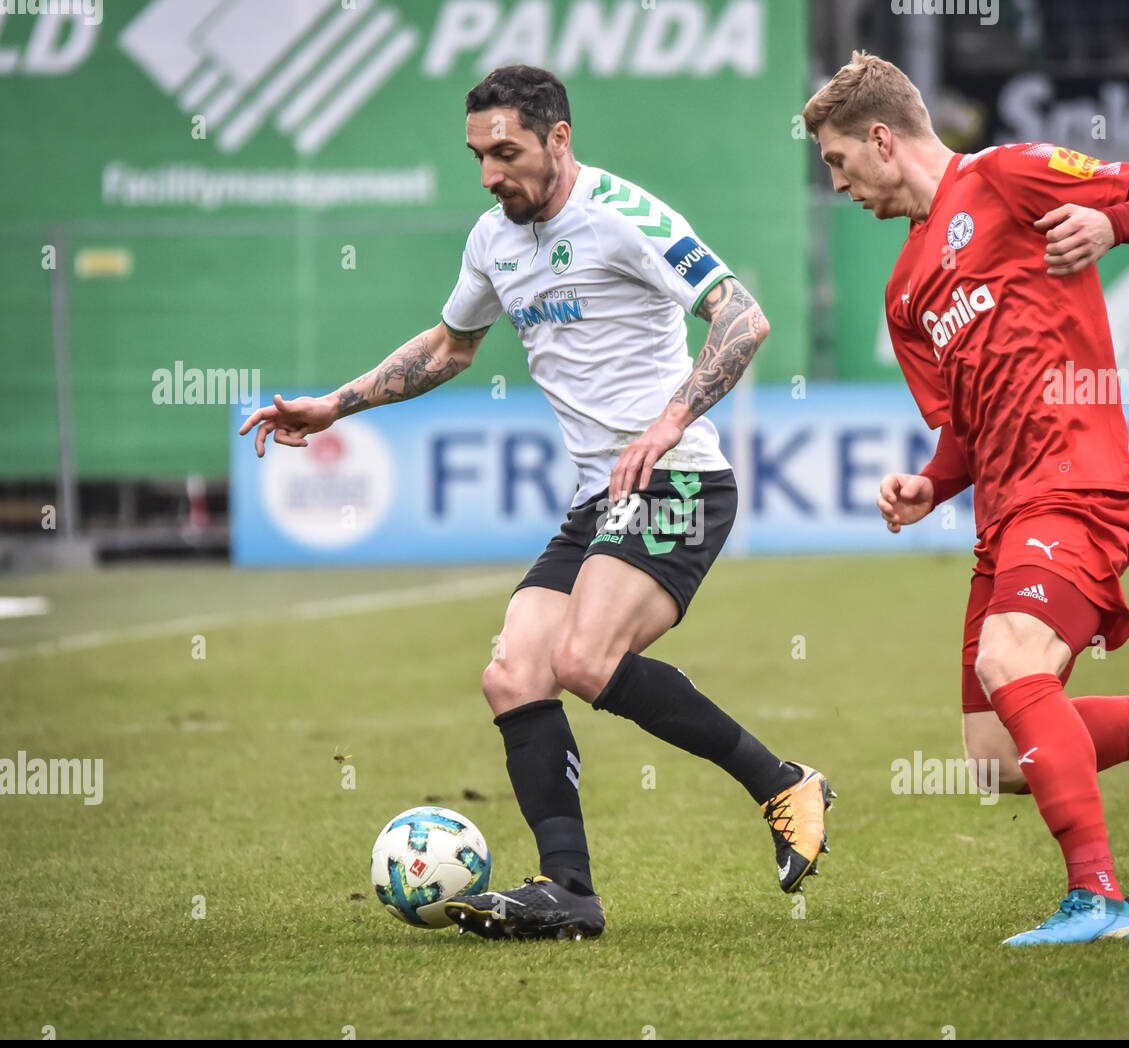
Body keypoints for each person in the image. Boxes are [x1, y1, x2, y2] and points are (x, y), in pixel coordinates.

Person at [240, 65, 831, 941]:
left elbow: (743, 319)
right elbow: (450, 345)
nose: (489, 172)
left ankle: (782, 783)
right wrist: (335, 404)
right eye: (478, 154)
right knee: (513, 672)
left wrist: (670, 420)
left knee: (586, 658)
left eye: (506, 151)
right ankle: (570, 893)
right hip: (599, 498)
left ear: (559, 138)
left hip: (679, 482)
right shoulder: (493, 240)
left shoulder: (626, 217)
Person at [802, 52, 1129, 946]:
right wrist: (928, 484)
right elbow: (964, 430)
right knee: (998, 760)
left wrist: (1109, 229)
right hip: (1005, 512)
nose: (837, 184)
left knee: (1010, 662)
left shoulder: (1007, 175)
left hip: (1077, 480)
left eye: (836, 161)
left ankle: (1100, 899)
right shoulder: (906, 292)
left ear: (879, 137)